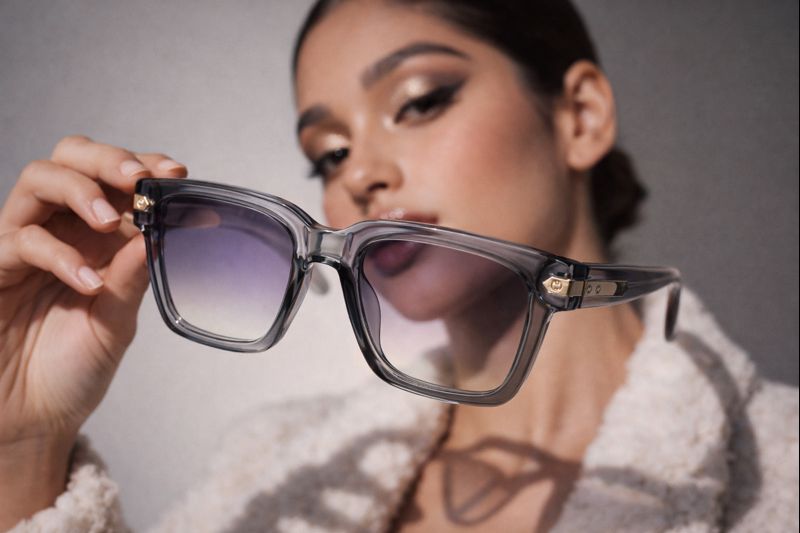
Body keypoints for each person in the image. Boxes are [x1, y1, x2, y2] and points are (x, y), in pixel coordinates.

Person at [0, 0, 797, 531]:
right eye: (329, 152)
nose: (360, 175)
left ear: (581, 117)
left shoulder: (783, 470)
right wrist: (27, 448)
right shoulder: (271, 472)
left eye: (419, 100)